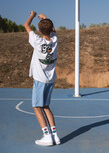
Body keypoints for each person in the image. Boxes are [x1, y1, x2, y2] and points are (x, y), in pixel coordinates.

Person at [24, 11, 60, 146]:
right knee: (45, 106)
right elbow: (53, 30)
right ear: (51, 29)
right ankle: (55, 135)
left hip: (40, 80)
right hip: (50, 79)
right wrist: (45, 17)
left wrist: (33, 15)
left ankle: (46, 135)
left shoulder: (37, 40)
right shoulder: (55, 40)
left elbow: (26, 25)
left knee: (36, 106)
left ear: (38, 30)